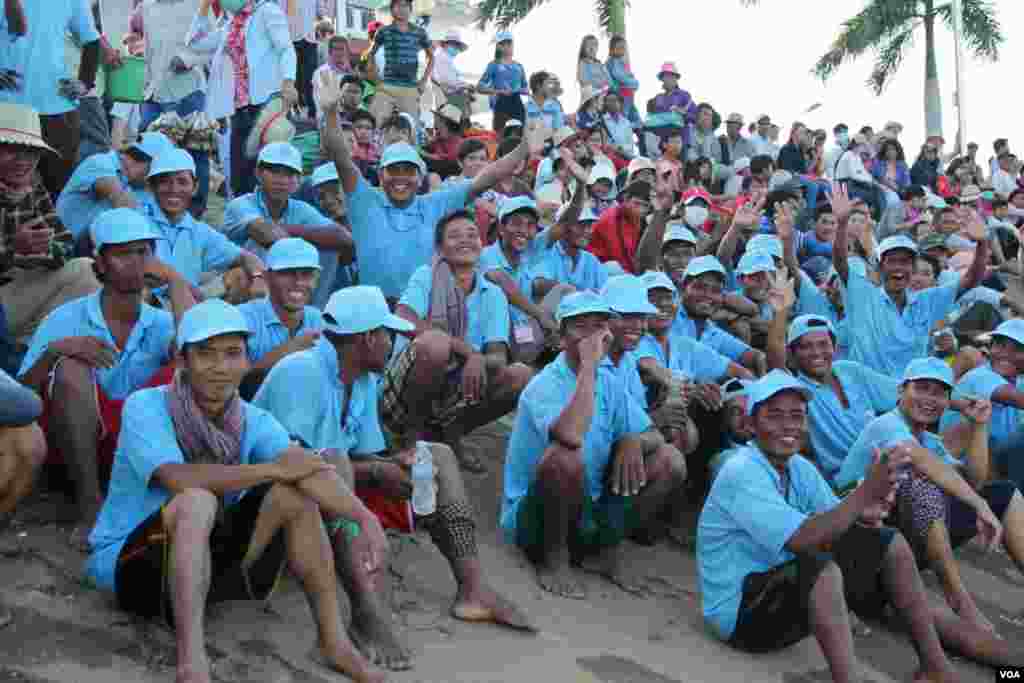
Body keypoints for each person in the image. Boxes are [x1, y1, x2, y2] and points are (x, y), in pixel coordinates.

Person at [84, 299, 388, 683]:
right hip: (130, 567)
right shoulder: (146, 406)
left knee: (296, 494)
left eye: (232, 354)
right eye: (205, 354)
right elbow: (178, 478)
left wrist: (363, 517)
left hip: (201, 567)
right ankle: (192, 663)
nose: (219, 368)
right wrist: (270, 469)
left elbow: (307, 468)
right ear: (182, 360)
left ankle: (334, 642)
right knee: (196, 500)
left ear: (246, 361)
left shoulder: (251, 418)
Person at [254, 285, 533, 671]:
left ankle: (473, 587)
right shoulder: (301, 371)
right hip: (275, 499)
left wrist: (394, 462)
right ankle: (365, 614)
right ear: (368, 337)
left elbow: (362, 451)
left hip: (333, 480)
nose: (392, 345)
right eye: (388, 335)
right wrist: (375, 469)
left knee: (438, 455)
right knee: (337, 464)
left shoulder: (363, 379)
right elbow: (295, 462)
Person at [698, 370, 1002, 682]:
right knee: (821, 570)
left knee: (888, 542)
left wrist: (866, 509)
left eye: (796, 416)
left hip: (779, 592)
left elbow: (837, 522)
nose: (788, 426)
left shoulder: (798, 468)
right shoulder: (741, 470)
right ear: (750, 425)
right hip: (740, 616)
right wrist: (866, 491)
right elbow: (804, 539)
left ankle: (936, 668)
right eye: (774, 416)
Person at [18, 208, 190, 549]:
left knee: (185, 366)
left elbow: (194, 358)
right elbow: (21, 396)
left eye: (144, 252)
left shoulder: (159, 322)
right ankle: (89, 507)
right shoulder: (68, 317)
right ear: (99, 263)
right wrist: (54, 351)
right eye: (124, 254)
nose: (137, 262)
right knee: (70, 367)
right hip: (70, 450)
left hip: (132, 447)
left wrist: (177, 283)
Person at [502, 291, 687, 599]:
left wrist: (632, 440)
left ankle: (603, 551)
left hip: (588, 506)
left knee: (668, 460)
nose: (592, 336)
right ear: (562, 338)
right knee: (565, 458)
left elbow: (653, 432)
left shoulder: (608, 381)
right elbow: (570, 436)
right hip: (535, 518)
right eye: (581, 327)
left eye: (599, 326)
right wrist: (588, 366)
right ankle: (554, 559)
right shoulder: (545, 384)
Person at [318, 68, 543, 303]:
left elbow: (486, 178)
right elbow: (340, 156)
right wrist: (332, 112)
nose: (401, 178)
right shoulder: (365, 200)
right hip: (373, 314)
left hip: (424, 313)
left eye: (409, 171)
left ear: (420, 176)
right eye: (393, 170)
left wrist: (523, 149)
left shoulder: (435, 203)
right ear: (381, 175)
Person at [838, 358, 1024, 635]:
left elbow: (973, 480)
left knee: (1004, 492)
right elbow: (916, 458)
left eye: (939, 392)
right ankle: (959, 602)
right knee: (920, 483)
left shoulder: (931, 442)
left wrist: (979, 427)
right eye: (921, 388)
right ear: (901, 391)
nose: (930, 399)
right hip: (861, 550)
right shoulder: (885, 425)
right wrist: (978, 504)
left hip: (906, 542)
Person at [383, 210, 535, 472]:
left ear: (482, 244)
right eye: (454, 236)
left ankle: (450, 435)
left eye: (472, 234)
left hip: (456, 387)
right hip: (405, 388)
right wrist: (469, 353)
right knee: (436, 345)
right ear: (440, 248)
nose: (465, 240)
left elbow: (497, 354)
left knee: (519, 375)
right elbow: (404, 316)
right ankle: (411, 438)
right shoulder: (426, 275)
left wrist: (479, 360)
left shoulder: (493, 294)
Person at [832, 183, 989, 375]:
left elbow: (971, 280)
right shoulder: (864, 294)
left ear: (912, 268)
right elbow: (841, 263)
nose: (898, 268)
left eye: (905, 262)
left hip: (913, 395)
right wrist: (841, 224)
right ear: (881, 267)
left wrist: (982, 243)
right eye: (892, 261)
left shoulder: (926, 300)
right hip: (871, 395)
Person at [0, 103, 101, 346]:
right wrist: (13, 249)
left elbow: (64, 245)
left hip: (19, 294)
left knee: (87, 271)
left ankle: (28, 347)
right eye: (12, 149)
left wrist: (43, 250)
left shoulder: (34, 188)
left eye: (30, 151)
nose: (23, 160)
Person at [187, 0, 299, 197]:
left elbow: (286, 48)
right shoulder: (229, 26)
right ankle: (246, 222)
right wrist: (203, 8)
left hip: (266, 105)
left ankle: (274, 221)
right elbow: (195, 43)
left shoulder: (267, 11)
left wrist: (288, 82)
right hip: (240, 109)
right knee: (241, 176)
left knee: (271, 171)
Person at [224, 142, 354, 308]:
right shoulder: (241, 205)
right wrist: (302, 236)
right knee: (249, 259)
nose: (282, 180)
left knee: (329, 249)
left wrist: (286, 230)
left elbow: (343, 237)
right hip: (245, 280)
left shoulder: (300, 209)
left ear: (298, 181)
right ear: (258, 173)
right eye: (275, 172)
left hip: (282, 279)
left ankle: (311, 314)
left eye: (289, 174)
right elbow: (266, 236)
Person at [0, 0, 100, 198]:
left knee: (58, 189)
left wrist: (85, 82)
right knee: (7, 189)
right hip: (7, 108)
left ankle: (52, 227)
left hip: (57, 108)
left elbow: (92, 40)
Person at [146, 148, 267, 305]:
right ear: (151, 187)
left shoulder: (199, 230)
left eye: (182, 182)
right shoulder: (137, 221)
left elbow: (245, 257)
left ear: (195, 187)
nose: (174, 189)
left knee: (242, 277)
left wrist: (258, 277)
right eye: (164, 182)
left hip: (189, 303)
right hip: (149, 307)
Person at [134, 0, 213, 217]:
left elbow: (214, 45)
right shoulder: (147, 6)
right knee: (147, 151)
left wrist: (187, 60)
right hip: (154, 92)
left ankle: (195, 211)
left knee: (195, 151)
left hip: (188, 91)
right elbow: (148, 49)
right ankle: (152, 208)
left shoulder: (198, 5)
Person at [238, 238, 324, 399]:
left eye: (307, 274)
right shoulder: (242, 318)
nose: (298, 282)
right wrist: (290, 350)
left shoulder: (320, 320)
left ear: (317, 279)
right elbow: (232, 384)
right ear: (266, 277)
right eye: (288, 273)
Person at [57, 132, 174, 246]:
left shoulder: (134, 186)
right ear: (149, 163)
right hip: (64, 249)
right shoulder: (100, 163)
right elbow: (124, 208)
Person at [672, 256, 766, 376]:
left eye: (716, 291)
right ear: (682, 288)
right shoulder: (671, 317)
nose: (707, 295)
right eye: (700, 287)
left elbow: (755, 356)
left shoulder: (711, 330)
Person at [367, 0, 433, 126]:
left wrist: (423, 81)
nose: (402, 9)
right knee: (377, 122)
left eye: (405, 5)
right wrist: (376, 78)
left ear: (410, 9)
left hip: (410, 87)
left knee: (411, 127)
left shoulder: (419, 32)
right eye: (398, 5)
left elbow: (431, 57)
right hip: (387, 86)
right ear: (392, 9)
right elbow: (371, 54)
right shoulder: (383, 31)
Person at [587, 180, 652, 274]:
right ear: (626, 199)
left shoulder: (639, 220)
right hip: (603, 270)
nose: (640, 210)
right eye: (636, 203)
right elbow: (620, 259)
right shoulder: (611, 219)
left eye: (645, 206)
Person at [476, 31, 527, 135]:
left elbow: (526, 88)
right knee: (500, 136)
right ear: (498, 46)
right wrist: (498, 91)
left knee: (520, 137)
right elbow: (479, 87)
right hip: (501, 104)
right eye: (504, 44)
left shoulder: (519, 66)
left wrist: (522, 90)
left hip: (517, 104)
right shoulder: (493, 65)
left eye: (510, 43)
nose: (508, 47)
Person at [431, 29, 474, 115]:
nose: (456, 48)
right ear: (446, 44)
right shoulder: (442, 57)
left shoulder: (445, 57)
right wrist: (467, 85)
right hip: (448, 96)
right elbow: (448, 80)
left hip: (448, 94)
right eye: (454, 45)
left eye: (457, 46)